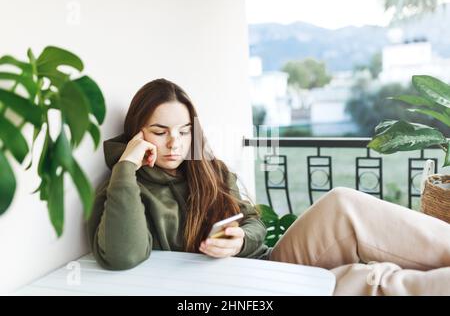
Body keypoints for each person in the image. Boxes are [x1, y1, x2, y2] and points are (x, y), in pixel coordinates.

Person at [87, 78, 450, 296]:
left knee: (342, 203)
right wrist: (126, 167)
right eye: (159, 132)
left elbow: (254, 224)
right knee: (364, 280)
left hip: (265, 266)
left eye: (184, 131)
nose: (175, 144)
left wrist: (239, 240)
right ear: (137, 132)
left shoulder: (208, 170)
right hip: (239, 291)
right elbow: (123, 255)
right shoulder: (125, 188)